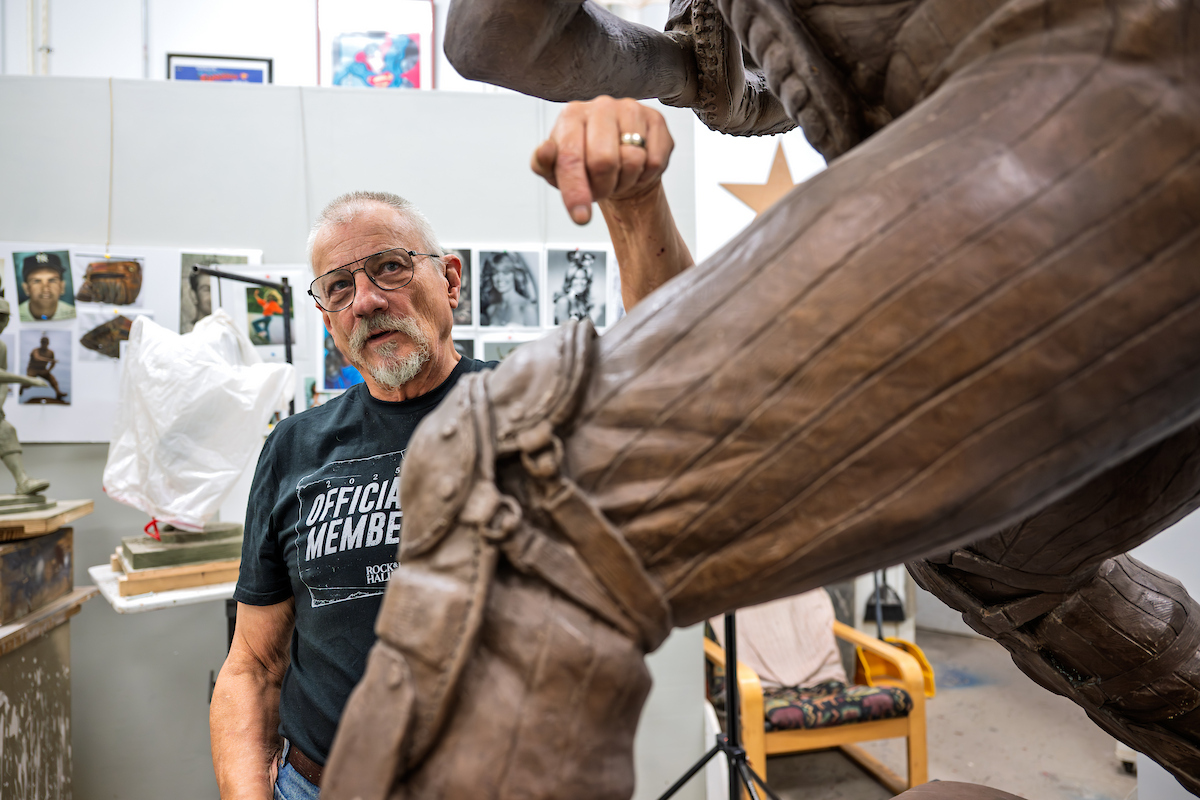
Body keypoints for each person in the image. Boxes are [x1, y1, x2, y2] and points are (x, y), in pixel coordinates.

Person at [209, 96, 692, 800]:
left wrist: (639, 201)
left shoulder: (529, 406)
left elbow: (669, 373)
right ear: (327, 318)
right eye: (339, 287)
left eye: (391, 269)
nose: (367, 300)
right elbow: (251, 664)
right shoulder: (293, 447)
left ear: (452, 280)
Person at [0, 299, 49, 495]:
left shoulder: (1, 347)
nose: (1, 323)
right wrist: (28, 380)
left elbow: (2, 381)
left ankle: (23, 482)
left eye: (4, 318)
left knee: (6, 431)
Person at [480, 252, 539, 326]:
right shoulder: (491, 310)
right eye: (495, 273)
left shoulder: (527, 309)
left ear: (515, 274)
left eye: (505, 272)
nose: (500, 278)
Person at [18, 252, 74, 322]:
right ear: (26, 288)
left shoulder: (73, 313)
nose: (45, 288)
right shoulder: (15, 316)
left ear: (62, 286)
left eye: (52, 280)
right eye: (36, 281)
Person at [553, 250, 596, 324]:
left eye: (583, 279)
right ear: (570, 281)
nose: (580, 282)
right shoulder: (564, 302)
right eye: (576, 278)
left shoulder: (581, 302)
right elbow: (564, 332)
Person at [21, 336, 66, 402]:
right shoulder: (35, 350)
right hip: (32, 369)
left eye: (45, 343)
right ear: (41, 343)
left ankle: (58, 393)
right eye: (43, 342)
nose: (44, 344)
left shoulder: (50, 352)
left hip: (42, 369)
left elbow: (52, 363)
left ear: (48, 343)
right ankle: (22, 386)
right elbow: (37, 358)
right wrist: (49, 360)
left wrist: (48, 370)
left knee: (52, 379)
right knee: (28, 383)